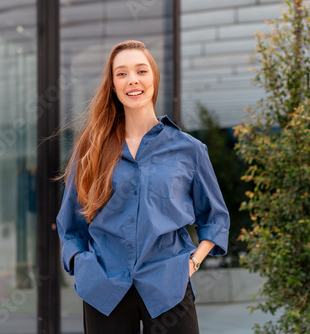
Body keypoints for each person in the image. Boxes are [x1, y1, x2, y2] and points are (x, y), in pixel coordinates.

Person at [56, 40, 230, 334]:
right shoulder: (92, 148)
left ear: (154, 78)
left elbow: (214, 217)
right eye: (121, 73)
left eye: (141, 70)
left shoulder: (189, 150)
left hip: (168, 286)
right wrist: (82, 263)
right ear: (112, 85)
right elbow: (70, 224)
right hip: (104, 287)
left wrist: (192, 263)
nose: (132, 79)